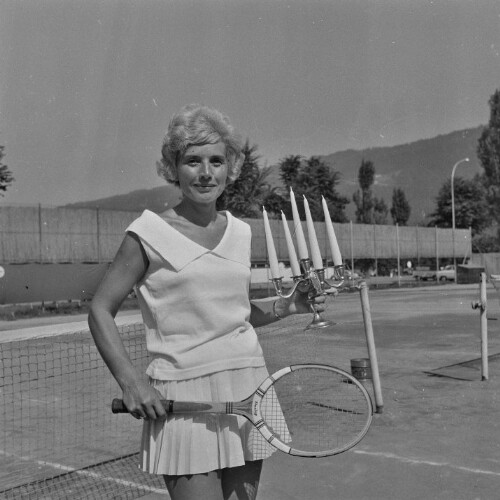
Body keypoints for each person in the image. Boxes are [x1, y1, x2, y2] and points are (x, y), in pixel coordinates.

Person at [88, 103, 326, 500]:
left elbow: (232, 313)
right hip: (183, 394)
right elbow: (99, 309)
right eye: (192, 161)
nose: (205, 173)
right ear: (173, 167)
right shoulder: (147, 233)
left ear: (229, 168)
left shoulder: (240, 232)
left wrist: (288, 306)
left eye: (216, 161)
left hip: (249, 385)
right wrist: (132, 384)